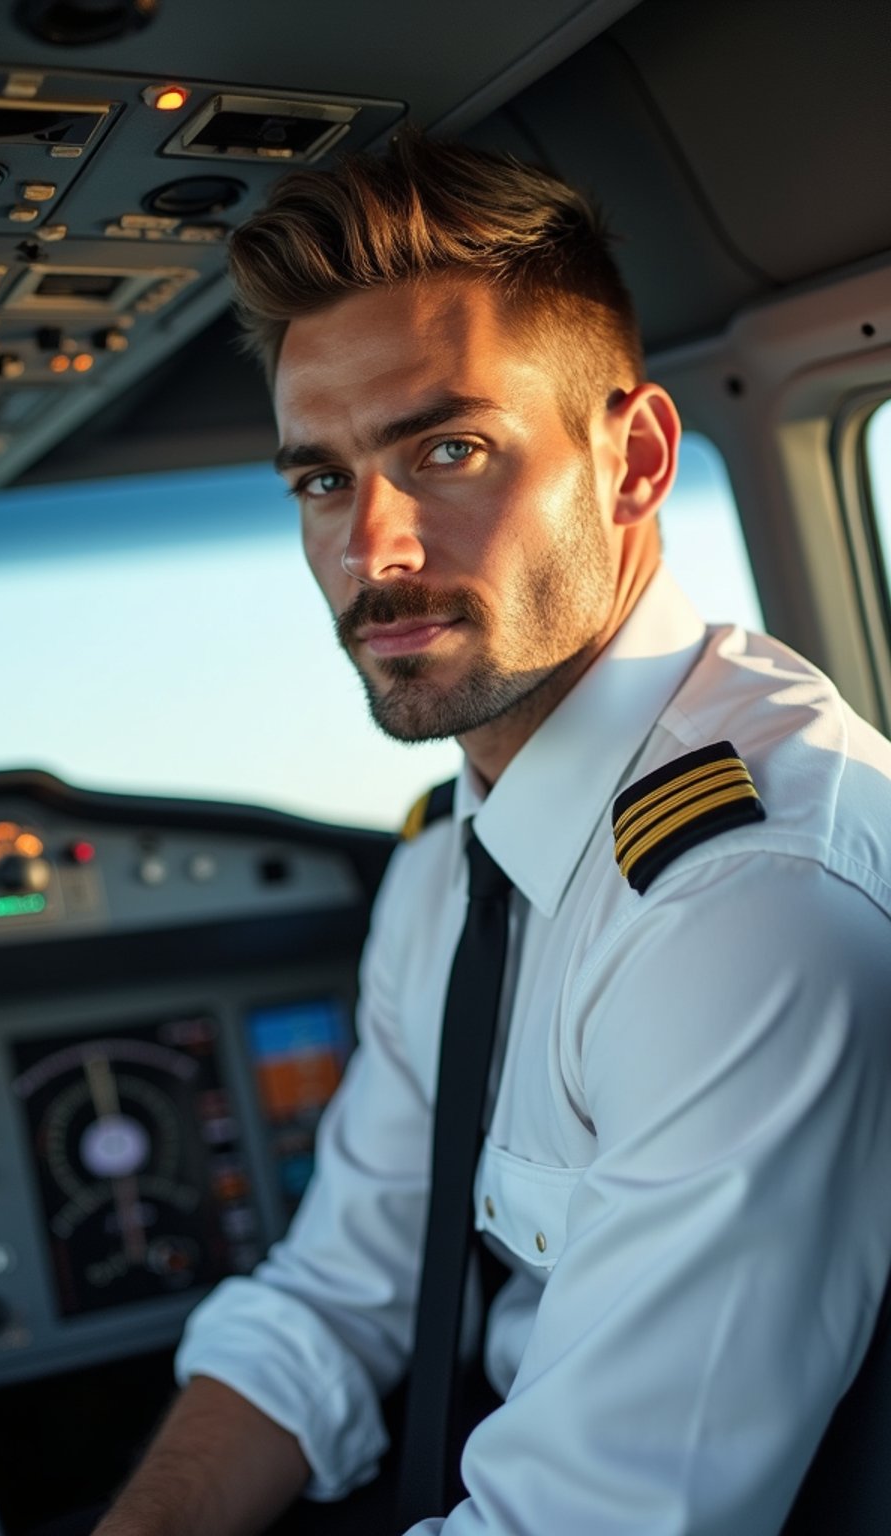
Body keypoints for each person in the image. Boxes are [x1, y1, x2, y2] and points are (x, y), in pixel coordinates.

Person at [96, 132, 891, 1535]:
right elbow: (341, 1291)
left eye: (447, 450)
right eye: (322, 480)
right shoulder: (451, 860)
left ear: (634, 459)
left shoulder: (744, 902)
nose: (373, 549)